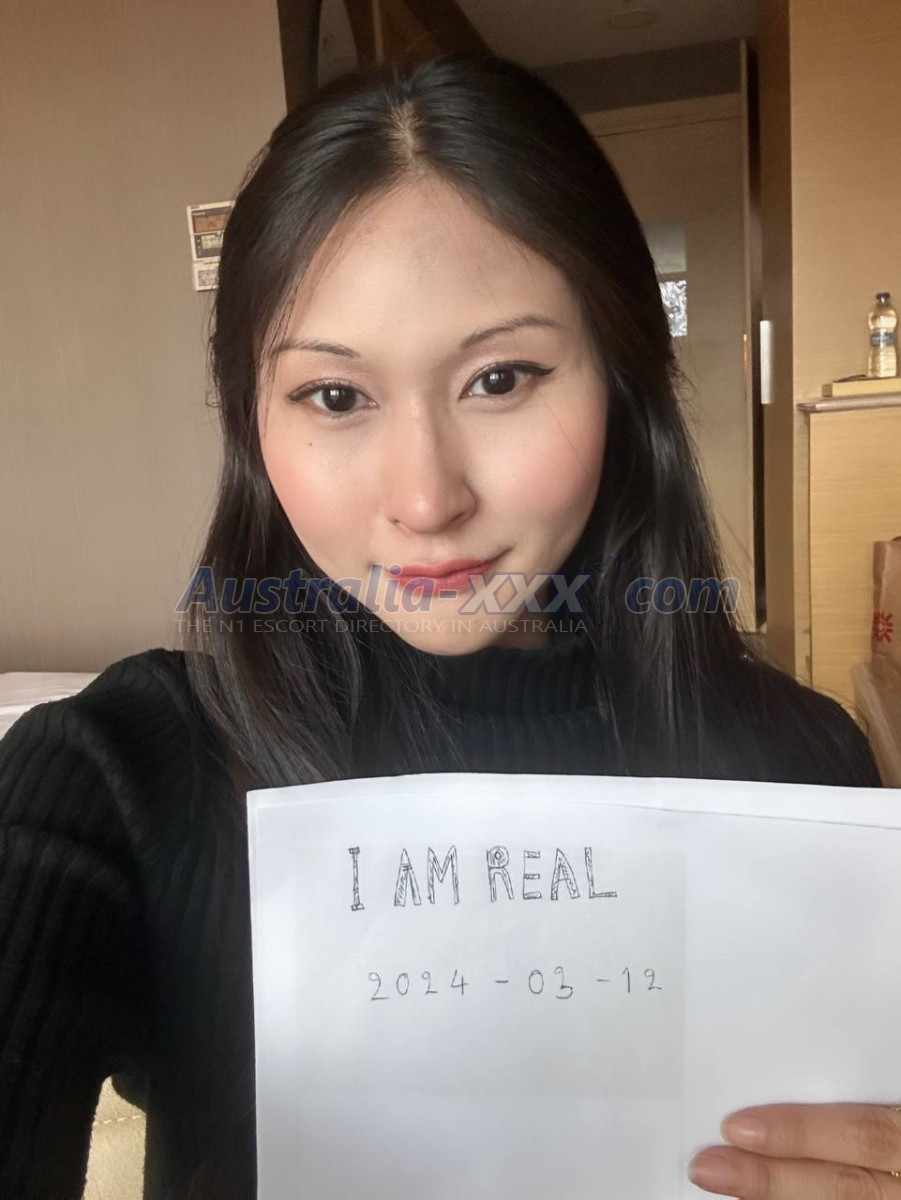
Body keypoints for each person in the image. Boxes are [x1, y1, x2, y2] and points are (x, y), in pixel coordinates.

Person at [0, 50, 892, 1200]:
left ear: (621, 381)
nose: (426, 501)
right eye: (335, 396)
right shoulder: (114, 780)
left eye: (501, 379)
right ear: (253, 423)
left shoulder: (810, 770)